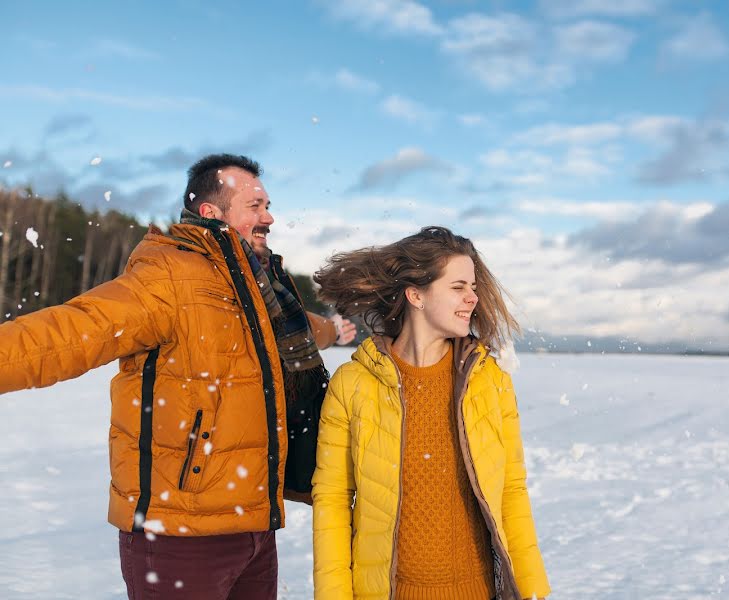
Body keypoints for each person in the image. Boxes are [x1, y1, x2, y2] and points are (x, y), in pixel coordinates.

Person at [0, 153, 354, 599]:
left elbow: (293, 327)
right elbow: (68, 334)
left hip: (255, 524)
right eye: (256, 206)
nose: (269, 217)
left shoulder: (261, 287)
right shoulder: (168, 276)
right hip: (180, 532)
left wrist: (335, 330)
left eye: (268, 205)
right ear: (211, 212)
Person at [311, 226, 551, 600]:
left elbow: (512, 493)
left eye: (473, 287)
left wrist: (533, 592)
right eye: (458, 287)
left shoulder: (490, 382)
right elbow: (333, 500)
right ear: (415, 295)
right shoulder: (353, 383)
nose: (472, 298)